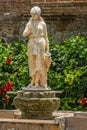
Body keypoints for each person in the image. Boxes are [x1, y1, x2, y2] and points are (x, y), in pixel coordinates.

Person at [23, 6, 51, 88]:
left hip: (41, 42)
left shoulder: (43, 24)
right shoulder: (29, 23)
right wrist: (28, 31)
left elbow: (46, 37)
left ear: (39, 14)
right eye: (33, 14)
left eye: (36, 14)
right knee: (32, 62)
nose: (35, 15)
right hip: (32, 43)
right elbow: (24, 34)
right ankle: (33, 80)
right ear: (31, 14)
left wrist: (48, 49)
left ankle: (37, 83)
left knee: (40, 62)